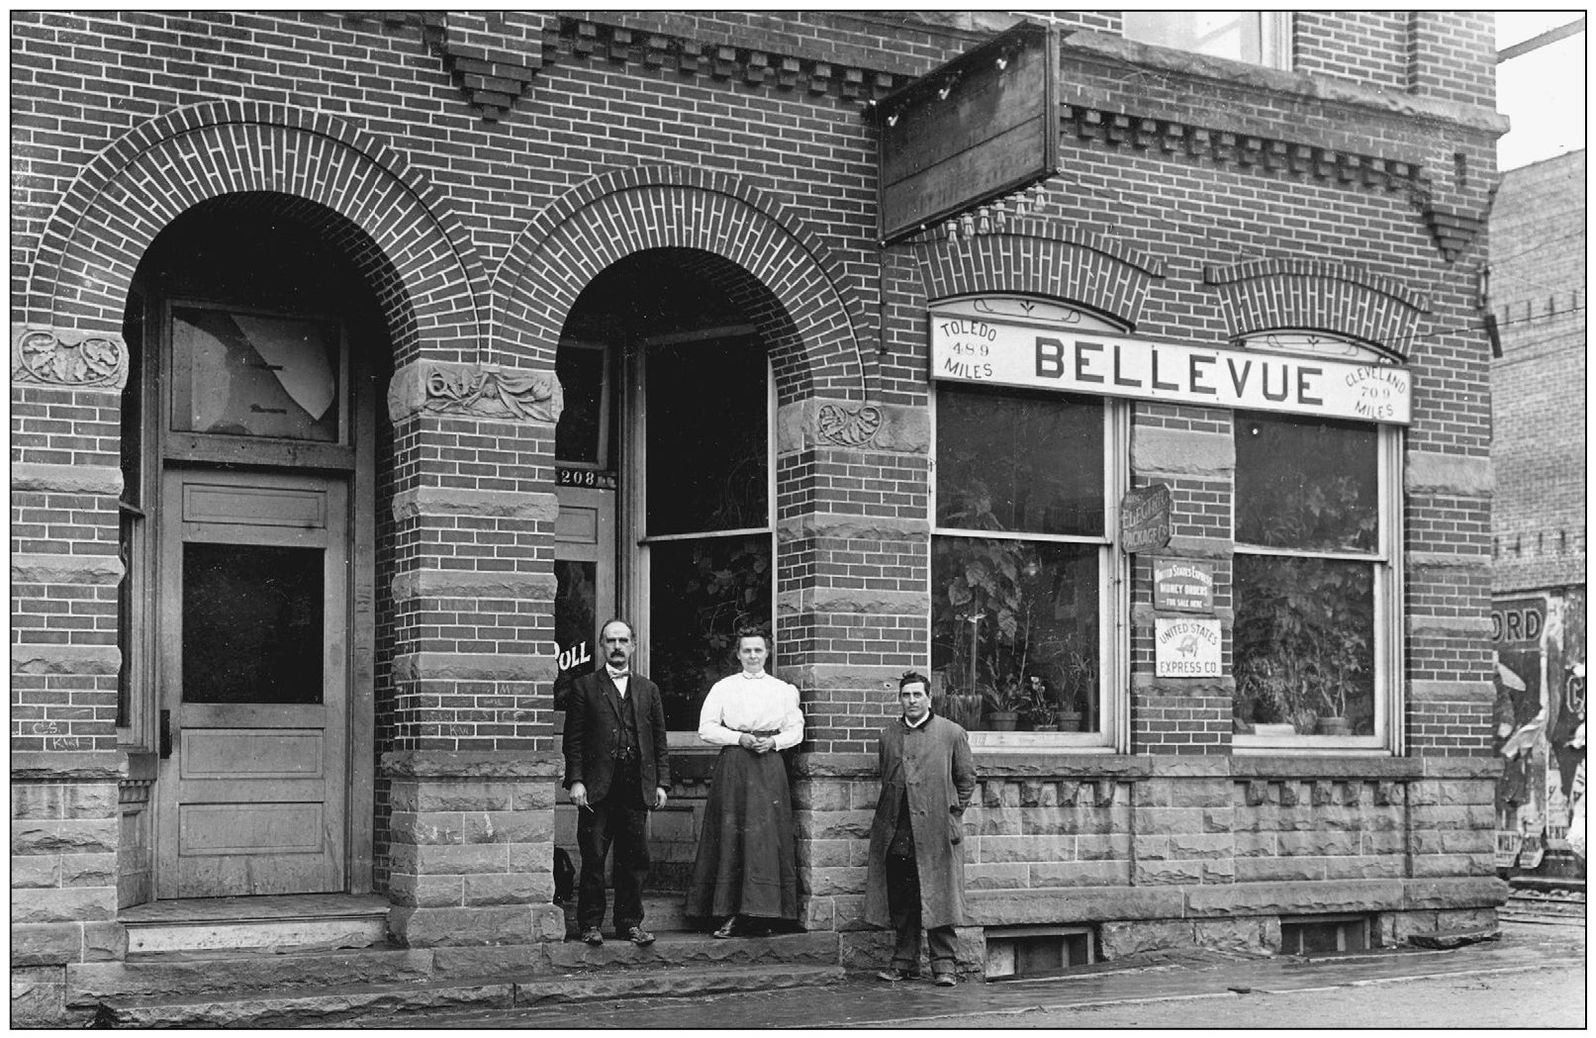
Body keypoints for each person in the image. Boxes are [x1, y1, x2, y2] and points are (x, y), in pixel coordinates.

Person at [685, 626, 804, 938]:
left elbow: (796, 729)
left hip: (768, 767)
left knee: (764, 838)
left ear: (767, 653)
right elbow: (706, 729)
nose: (753, 656)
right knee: (732, 834)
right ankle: (727, 912)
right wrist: (739, 737)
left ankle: (765, 913)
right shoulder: (725, 688)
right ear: (738, 654)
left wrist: (775, 743)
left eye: (758, 650)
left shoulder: (782, 690)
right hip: (736, 764)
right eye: (747, 650)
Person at [561, 618, 670, 947]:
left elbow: (659, 742)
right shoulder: (584, 687)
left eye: (623, 640)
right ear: (602, 646)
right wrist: (575, 781)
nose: (617, 646)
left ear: (633, 646)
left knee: (635, 858)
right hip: (597, 786)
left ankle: (630, 923)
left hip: (635, 784)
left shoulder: (648, 689)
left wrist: (661, 783)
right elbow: (573, 741)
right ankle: (591, 924)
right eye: (611, 641)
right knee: (593, 856)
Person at [865, 670, 976, 986]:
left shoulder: (951, 733)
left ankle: (944, 965)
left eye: (917, 695)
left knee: (939, 896)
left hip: (936, 830)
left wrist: (952, 816)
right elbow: (885, 776)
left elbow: (966, 779)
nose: (911, 701)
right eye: (906, 695)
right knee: (903, 898)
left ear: (929, 698)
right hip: (898, 829)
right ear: (899, 699)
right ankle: (904, 962)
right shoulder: (888, 735)